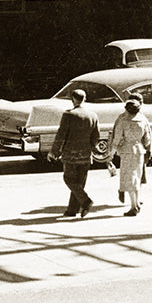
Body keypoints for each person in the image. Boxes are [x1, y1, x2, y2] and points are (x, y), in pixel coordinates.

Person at [49, 88, 100, 218]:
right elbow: (96, 136)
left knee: (69, 179)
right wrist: (92, 148)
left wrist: (54, 151)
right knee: (79, 182)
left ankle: (86, 201)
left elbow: (61, 134)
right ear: (85, 99)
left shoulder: (68, 115)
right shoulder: (93, 115)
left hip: (70, 154)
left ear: (73, 99)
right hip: (86, 154)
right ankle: (72, 210)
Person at [107, 98, 152, 216]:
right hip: (139, 150)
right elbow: (147, 140)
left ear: (127, 110)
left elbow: (116, 139)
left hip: (127, 150)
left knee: (129, 179)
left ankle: (134, 206)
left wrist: (111, 153)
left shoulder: (123, 121)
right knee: (137, 177)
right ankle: (136, 203)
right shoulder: (143, 120)